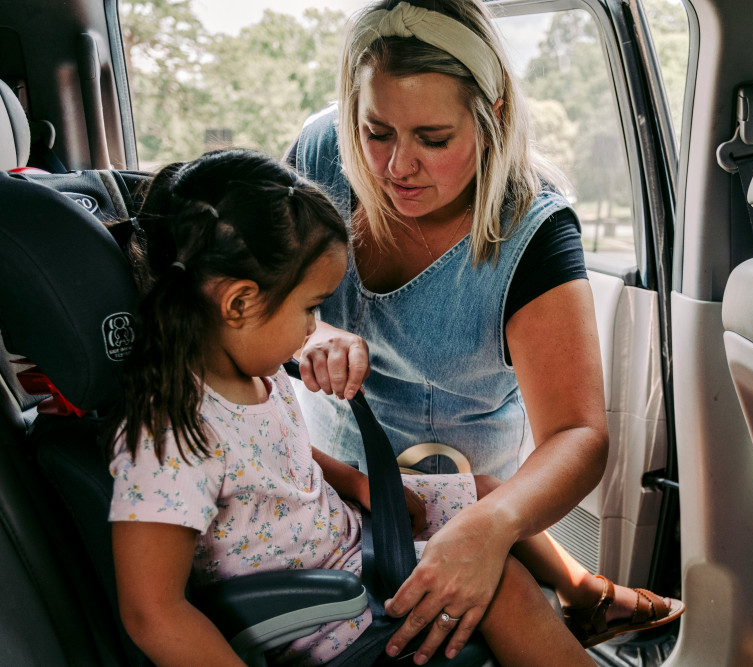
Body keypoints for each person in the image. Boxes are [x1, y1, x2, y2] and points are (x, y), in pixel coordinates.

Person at [105, 149, 680, 666]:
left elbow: (287, 457)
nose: (315, 328)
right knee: (499, 583)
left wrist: (360, 485)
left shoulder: (254, 376)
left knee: (483, 493)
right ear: (238, 303)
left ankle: (583, 597)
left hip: (352, 545)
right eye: (310, 309)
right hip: (329, 614)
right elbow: (152, 614)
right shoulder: (170, 437)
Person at [286, 0, 683, 661]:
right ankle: (587, 593)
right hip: (331, 475)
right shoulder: (320, 152)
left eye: (434, 139)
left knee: (496, 555)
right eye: (376, 131)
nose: (397, 166)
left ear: (491, 115)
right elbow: (248, 297)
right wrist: (309, 331)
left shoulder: (532, 231)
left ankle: (582, 593)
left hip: (467, 487)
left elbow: (578, 434)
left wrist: (491, 526)